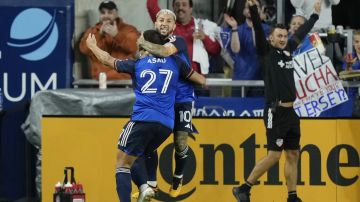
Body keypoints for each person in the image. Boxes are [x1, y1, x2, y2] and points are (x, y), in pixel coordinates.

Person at [86, 29, 205, 202]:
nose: (138, 41)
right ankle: (144, 187)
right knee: (136, 155)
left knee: (122, 163)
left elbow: (107, 60)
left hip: (143, 119)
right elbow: (200, 80)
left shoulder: (138, 64)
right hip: (166, 125)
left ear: (148, 44)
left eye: (141, 39)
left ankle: (139, 191)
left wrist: (93, 47)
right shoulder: (176, 62)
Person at [232, 1, 321, 202]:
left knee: (293, 154)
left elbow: (303, 31)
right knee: (274, 156)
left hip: (291, 112)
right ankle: (244, 188)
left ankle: (292, 196)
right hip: (275, 111)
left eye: (284, 35)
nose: (282, 39)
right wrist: (254, 9)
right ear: (270, 39)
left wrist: (314, 16)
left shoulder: (290, 47)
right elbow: (256, 24)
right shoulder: (266, 52)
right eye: (278, 36)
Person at [136, 9, 198, 198]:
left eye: (168, 21)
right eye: (161, 19)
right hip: (160, 99)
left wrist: (143, 43)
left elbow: (163, 52)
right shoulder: (149, 40)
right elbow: (140, 61)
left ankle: (178, 176)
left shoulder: (177, 41)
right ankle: (152, 183)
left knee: (180, 141)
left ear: (173, 26)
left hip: (182, 98)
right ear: (155, 23)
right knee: (149, 141)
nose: (164, 23)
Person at [146, 0, 221, 75]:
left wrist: (205, 38)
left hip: (196, 81)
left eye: (184, 5)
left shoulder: (203, 26)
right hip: (172, 79)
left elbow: (216, 51)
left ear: (191, 8)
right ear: (173, 8)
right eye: (177, 5)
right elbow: (151, 6)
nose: (180, 7)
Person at [79, 0, 139, 80]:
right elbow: (84, 50)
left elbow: (135, 48)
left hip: (124, 80)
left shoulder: (128, 30)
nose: (106, 16)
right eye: (103, 13)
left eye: (110, 12)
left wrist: (116, 35)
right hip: (100, 81)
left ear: (116, 13)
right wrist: (99, 35)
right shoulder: (93, 31)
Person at [223, 0, 270, 97]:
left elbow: (258, 45)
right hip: (240, 80)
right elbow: (235, 50)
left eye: (254, 7)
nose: (251, 9)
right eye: (248, 7)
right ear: (244, 11)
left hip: (260, 81)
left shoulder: (267, 29)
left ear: (261, 10)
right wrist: (234, 28)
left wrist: (255, 22)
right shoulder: (238, 29)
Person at [343, 30, 360, 116]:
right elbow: (345, 75)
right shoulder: (350, 57)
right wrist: (349, 66)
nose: (359, 44)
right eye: (357, 42)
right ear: (353, 43)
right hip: (354, 97)